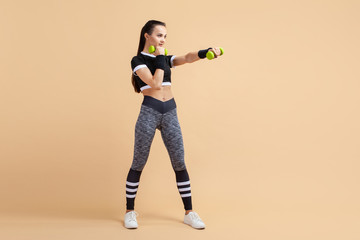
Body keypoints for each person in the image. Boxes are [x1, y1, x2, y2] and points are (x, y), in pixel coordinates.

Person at [124, 20, 222, 229]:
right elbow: (155, 83)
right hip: (149, 112)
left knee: (179, 161)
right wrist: (160, 58)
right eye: (159, 35)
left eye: (165, 36)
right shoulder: (138, 60)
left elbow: (186, 58)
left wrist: (205, 52)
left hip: (170, 112)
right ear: (147, 36)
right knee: (138, 161)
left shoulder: (166, 59)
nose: (163, 40)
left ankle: (189, 212)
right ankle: (129, 211)